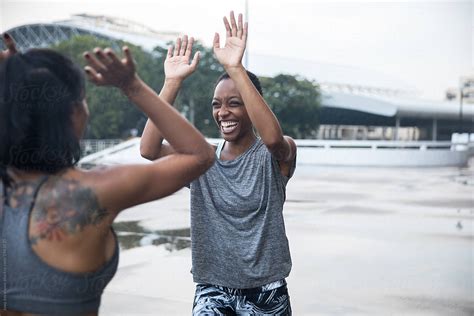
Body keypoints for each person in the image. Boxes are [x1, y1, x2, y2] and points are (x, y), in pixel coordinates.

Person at [0, 33, 214, 315]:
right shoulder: (92, 192)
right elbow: (198, 155)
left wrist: (12, 87)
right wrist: (131, 85)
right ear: (73, 113)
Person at [140, 11, 297, 315]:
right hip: (212, 289)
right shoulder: (201, 158)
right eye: (217, 104)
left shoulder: (274, 155)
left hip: (267, 291)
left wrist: (235, 68)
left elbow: (275, 140)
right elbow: (149, 149)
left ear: (253, 106)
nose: (223, 112)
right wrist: (171, 83)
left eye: (234, 103)